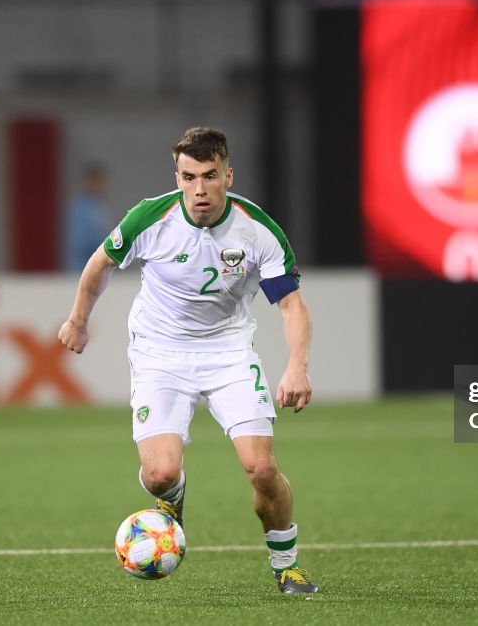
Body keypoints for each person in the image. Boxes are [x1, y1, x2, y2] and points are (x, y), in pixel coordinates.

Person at [57, 127, 318, 594]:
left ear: (228, 175)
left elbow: (291, 305)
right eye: (189, 176)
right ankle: (173, 500)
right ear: (176, 177)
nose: (199, 188)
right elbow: (99, 263)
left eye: (210, 176)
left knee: (261, 468)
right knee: (159, 474)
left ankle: (287, 566)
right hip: (159, 352)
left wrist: (296, 364)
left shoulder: (258, 231)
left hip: (229, 352)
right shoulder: (149, 219)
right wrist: (78, 320)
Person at [64, 163, 113, 272]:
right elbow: (80, 242)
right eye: (98, 181)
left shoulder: (99, 206)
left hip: (99, 268)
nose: (101, 185)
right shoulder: (80, 208)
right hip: (83, 268)